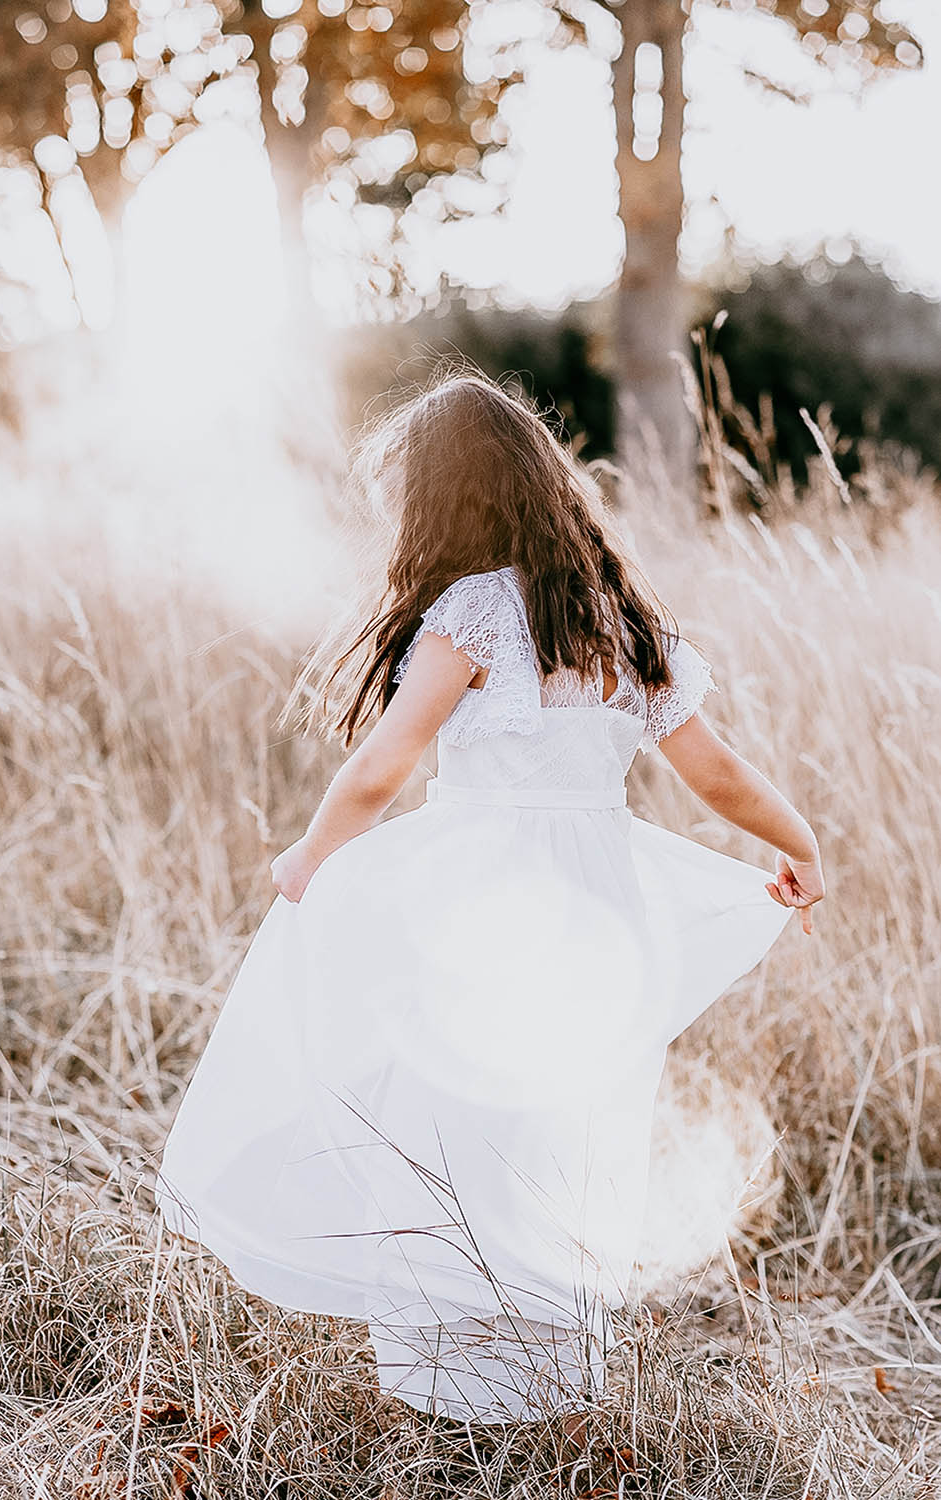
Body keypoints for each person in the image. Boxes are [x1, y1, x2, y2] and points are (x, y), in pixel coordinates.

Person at [155, 374, 824, 1425]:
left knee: (453, 1116)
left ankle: (458, 1391)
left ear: (446, 499)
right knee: (565, 1123)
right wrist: (800, 842)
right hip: (600, 903)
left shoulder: (472, 611)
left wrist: (309, 856)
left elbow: (384, 763)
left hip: (480, 894)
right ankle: (547, 1380)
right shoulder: (627, 619)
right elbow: (720, 774)